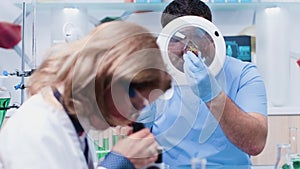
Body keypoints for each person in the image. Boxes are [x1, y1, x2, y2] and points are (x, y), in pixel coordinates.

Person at [0, 21, 171, 169]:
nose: (130, 119)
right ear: (105, 78)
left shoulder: (74, 125)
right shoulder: (37, 127)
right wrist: (119, 162)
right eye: (136, 104)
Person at [138, 0, 268, 167]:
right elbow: (133, 147)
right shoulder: (154, 77)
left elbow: (255, 143)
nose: (188, 48)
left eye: (198, 36)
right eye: (177, 39)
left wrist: (213, 95)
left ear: (211, 37)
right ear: (165, 42)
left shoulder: (243, 74)